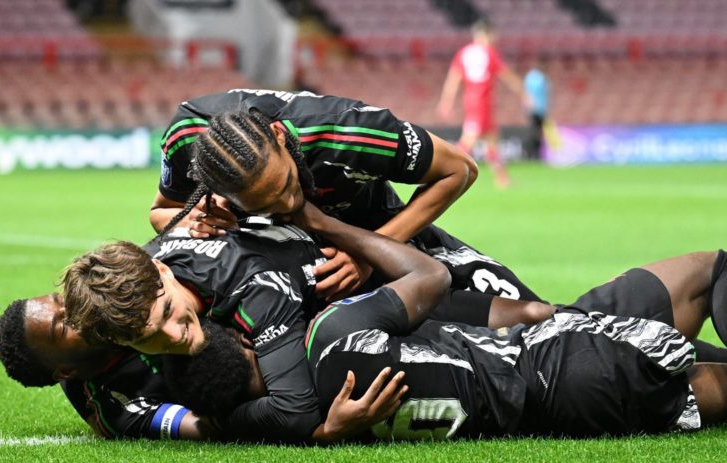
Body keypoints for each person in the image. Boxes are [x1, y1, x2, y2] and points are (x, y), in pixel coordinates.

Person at [169, 202, 727, 441]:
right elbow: (430, 277)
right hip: (560, 361)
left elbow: (230, 424)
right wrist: (318, 221)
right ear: (241, 340)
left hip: (546, 403)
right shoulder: (328, 334)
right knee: (709, 269)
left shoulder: (310, 424)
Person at [152, 89, 543, 305]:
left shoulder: (350, 131)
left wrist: (370, 253)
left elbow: (460, 169)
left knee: (531, 315)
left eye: (288, 184)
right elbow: (163, 213)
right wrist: (198, 220)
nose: (290, 205)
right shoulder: (190, 138)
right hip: (278, 258)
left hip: (375, 230)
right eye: (266, 202)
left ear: (278, 135)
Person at [0, 292, 402, 442]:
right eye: (62, 324)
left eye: (61, 301)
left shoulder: (109, 298)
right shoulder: (113, 406)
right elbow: (206, 427)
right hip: (296, 374)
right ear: (62, 371)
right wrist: (318, 432)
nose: (75, 310)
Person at [436, 18, 528, 188]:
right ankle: (443, 172)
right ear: (485, 35)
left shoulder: (463, 53)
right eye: (493, 36)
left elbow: (453, 79)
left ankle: (502, 178)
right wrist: (524, 94)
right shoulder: (488, 53)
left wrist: (446, 102)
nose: (494, 40)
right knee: (467, 142)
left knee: (492, 140)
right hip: (481, 103)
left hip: (472, 100)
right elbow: (507, 75)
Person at [523, 60, 551, 160]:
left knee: (535, 130)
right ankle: (533, 153)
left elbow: (526, 93)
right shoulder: (541, 78)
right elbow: (544, 94)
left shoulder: (530, 77)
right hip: (538, 109)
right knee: (536, 132)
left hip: (532, 109)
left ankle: (532, 153)